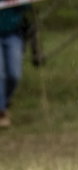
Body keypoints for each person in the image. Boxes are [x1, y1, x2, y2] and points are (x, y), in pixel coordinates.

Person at [0, 0, 38, 130]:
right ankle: (2, 112)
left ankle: (4, 101)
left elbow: (26, 5)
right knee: (0, 74)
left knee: (14, 74)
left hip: (13, 33)